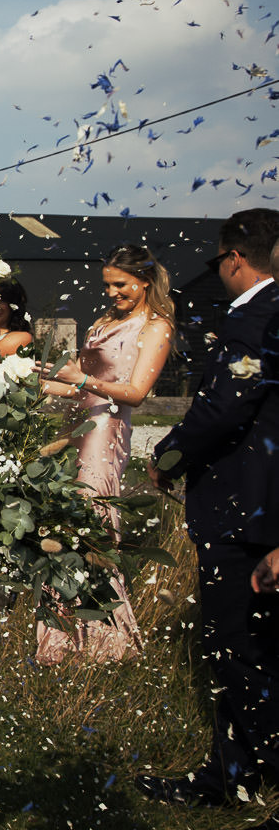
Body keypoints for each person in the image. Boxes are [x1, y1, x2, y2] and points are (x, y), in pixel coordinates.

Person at [141, 209, 279, 808]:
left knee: (244, 654)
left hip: (245, 512)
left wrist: (168, 456)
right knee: (241, 653)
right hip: (257, 509)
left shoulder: (254, 320)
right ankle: (232, 776)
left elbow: (224, 407)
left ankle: (257, 776)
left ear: (233, 260)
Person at [34, 246, 174, 664]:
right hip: (73, 430)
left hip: (105, 434)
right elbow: (74, 383)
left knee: (91, 528)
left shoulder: (155, 327)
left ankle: (104, 640)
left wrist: (82, 379)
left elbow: (136, 392)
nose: (112, 292)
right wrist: (33, 382)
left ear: (144, 281)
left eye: (121, 284)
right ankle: (61, 636)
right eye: (107, 285)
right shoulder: (101, 323)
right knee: (62, 527)